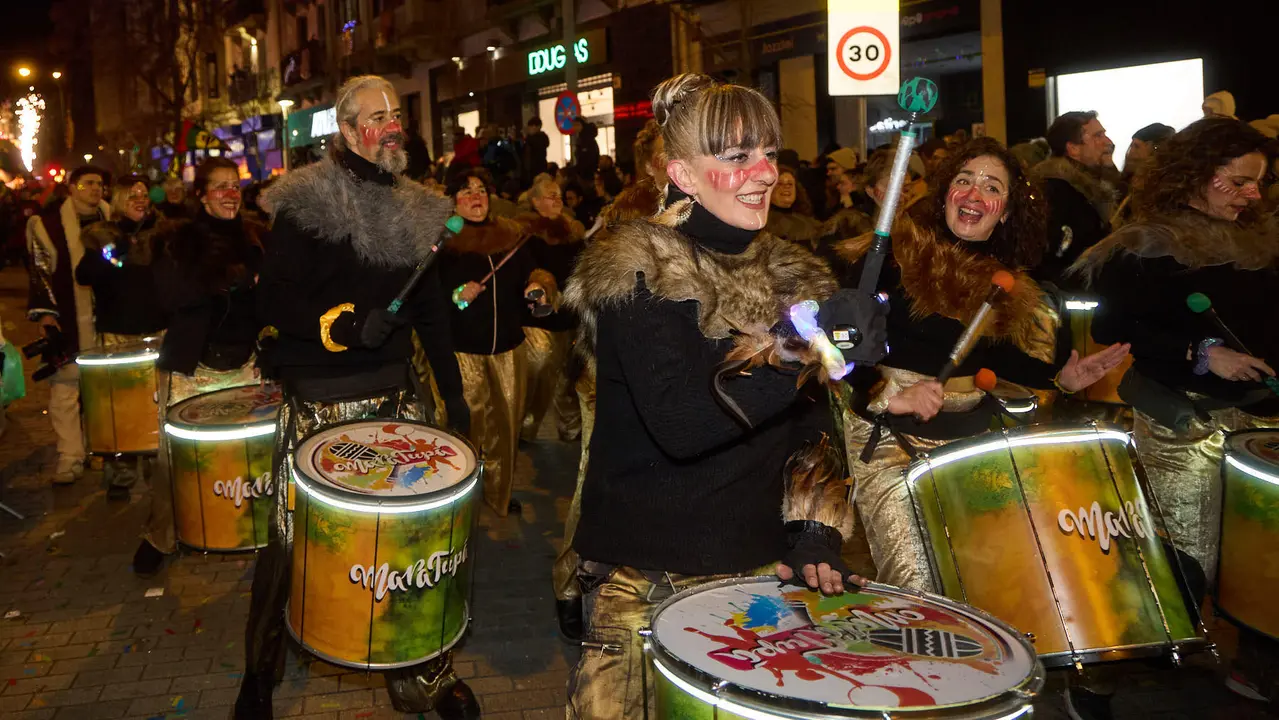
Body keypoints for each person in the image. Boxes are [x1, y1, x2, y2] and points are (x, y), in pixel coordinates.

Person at [562, 72, 887, 719]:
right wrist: (799, 351)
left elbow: (811, 429)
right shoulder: (637, 270)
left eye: (768, 152)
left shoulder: (792, 274)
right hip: (644, 579)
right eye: (737, 156)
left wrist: (813, 533)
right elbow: (681, 424)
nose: (764, 172)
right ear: (682, 175)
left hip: (756, 570)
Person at [233, 75, 475, 720]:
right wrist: (341, 326)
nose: (392, 125)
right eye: (377, 115)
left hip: (395, 393)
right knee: (292, 539)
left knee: (410, 539)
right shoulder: (308, 199)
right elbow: (273, 298)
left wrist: (454, 396)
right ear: (346, 129)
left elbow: (432, 314)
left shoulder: (420, 207)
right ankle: (258, 673)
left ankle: (422, 671)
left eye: (397, 113)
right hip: (320, 394)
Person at [830, 137, 1128, 592]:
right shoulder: (893, 256)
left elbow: (994, 357)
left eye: (991, 187)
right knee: (918, 583)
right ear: (945, 194)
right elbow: (838, 344)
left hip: (967, 437)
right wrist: (888, 395)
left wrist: (1061, 378)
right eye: (964, 180)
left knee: (976, 579)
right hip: (888, 438)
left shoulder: (1001, 280)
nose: (974, 194)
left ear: (1005, 211)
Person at [1073, 116, 1278, 703]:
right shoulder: (1148, 244)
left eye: (1259, 182)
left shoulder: (1261, 241)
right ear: (1196, 175)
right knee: (1182, 561)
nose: (1252, 195)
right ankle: (1106, 671)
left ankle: (1255, 663)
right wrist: (1203, 353)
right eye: (1239, 181)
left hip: (1259, 421)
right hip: (1183, 421)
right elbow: (1114, 327)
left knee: (1260, 556)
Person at [549, 118, 667, 642]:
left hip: (661, 372)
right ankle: (570, 582)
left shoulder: (702, 207)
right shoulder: (630, 213)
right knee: (595, 480)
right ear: (649, 162)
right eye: (667, 151)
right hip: (609, 372)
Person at [131, 157, 267, 576]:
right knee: (174, 461)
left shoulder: (257, 237)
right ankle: (160, 536)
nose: (230, 194)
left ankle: (247, 527)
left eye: (235, 186)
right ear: (203, 195)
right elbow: (170, 298)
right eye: (220, 186)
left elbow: (273, 297)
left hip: (246, 362)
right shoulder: (180, 240)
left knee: (250, 457)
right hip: (194, 366)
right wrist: (226, 281)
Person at [439, 168, 554, 518]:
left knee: (506, 427)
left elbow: (534, 272)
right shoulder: (444, 243)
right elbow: (429, 299)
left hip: (508, 348)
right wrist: (458, 296)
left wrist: (537, 287)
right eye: (466, 191)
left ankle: (498, 492)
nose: (476, 197)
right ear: (453, 201)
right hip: (463, 351)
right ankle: (459, 496)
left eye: (481, 190)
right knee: (467, 426)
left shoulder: (509, 236)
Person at [76, 174, 168, 499]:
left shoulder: (163, 234)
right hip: (118, 334)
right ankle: (121, 474)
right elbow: (84, 275)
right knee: (121, 408)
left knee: (159, 403)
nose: (140, 200)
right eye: (132, 196)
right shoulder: (104, 236)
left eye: (143, 194)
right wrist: (115, 251)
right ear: (118, 201)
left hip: (159, 330)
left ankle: (160, 470)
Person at [26, 165, 111, 485]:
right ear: (73, 187)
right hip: (68, 317)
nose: (96, 189)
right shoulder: (48, 226)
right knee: (65, 389)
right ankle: (70, 455)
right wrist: (46, 315)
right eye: (89, 183)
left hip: (109, 319)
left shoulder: (112, 218)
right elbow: (40, 272)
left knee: (102, 390)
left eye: (100, 183)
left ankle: (99, 447)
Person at [518, 176, 585, 444]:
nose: (557, 199)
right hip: (539, 320)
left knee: (570, 375)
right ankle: (524, 427)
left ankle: (571, 427)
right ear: (535, 202)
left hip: (570, 317)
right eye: (550, 195)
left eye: (559, 194)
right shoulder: (526, 235)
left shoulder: (573, 233)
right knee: (540, 371)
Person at [1032, 111, 1121, 290]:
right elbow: (1054, 261)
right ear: (1073, 149)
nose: (1108, 142)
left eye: (1104, 134)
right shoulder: (1057, 192)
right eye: (1098, 136)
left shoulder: (1092, 187)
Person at [763, 165, 823, 250]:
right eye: (779, 183)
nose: (786, 187)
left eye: (790, 184)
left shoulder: (812, 223)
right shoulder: (762, 223)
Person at [573, 117, 600, 187]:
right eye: (574, 125)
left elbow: (589, 158)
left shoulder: (588, 140)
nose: (575, 127)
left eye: (577, 125)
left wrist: (577, 169)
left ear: (583, 125)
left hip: (588, 175)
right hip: (583, 174)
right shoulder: (581, 139)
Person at [523, 116, 549, 183]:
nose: (529, 129)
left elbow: (537, 145)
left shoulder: (542, 137)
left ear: (538, 127)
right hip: (528, 170)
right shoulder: (529, 139)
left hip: (538, 169)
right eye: (529, 126)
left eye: (532, 126)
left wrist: (527, 137)